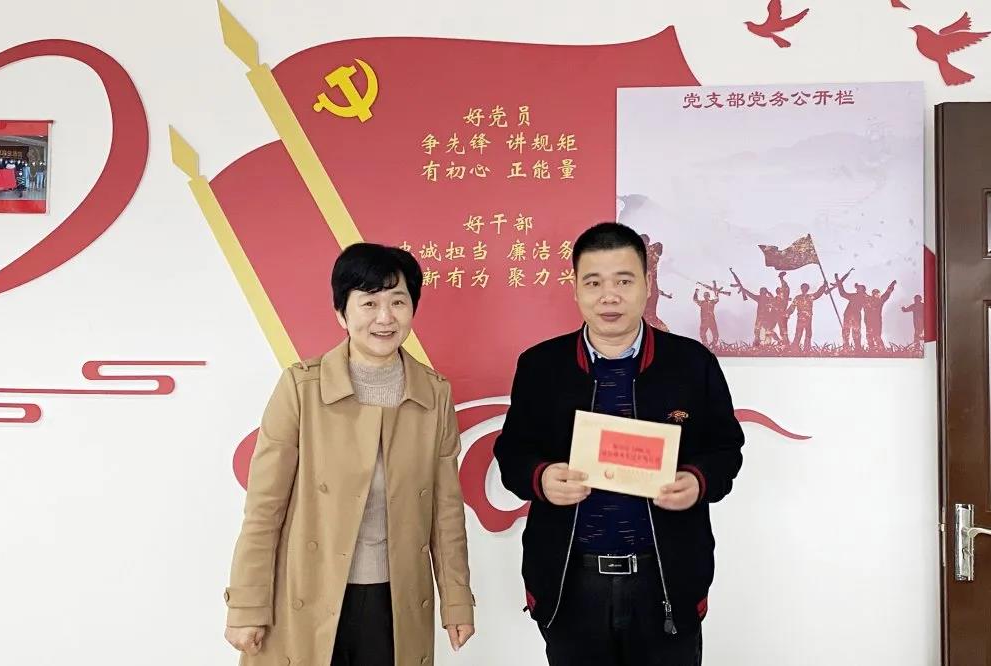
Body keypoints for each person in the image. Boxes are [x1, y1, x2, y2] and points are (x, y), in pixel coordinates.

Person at [494, 222, 744, 666]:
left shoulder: (692, 363)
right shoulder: (540, 366)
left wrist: (697, 481)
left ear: (647, 285)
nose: (609, 296)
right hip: (571, 583)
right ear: (575, 288)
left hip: (664, 581)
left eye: (624, 281)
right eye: (594, 283)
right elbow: (512, 453)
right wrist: (541, 477)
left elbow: (726, 449)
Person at [224, 243, 475, 665]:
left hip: (394, 600)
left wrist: (457, 600)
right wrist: (247, 604)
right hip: (307, 594)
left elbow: (446, 510)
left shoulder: (434, 394)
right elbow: (264, 507)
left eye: (398, 301)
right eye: (369, 302)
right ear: (341, 312)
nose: (385, 317)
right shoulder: (302, 388)